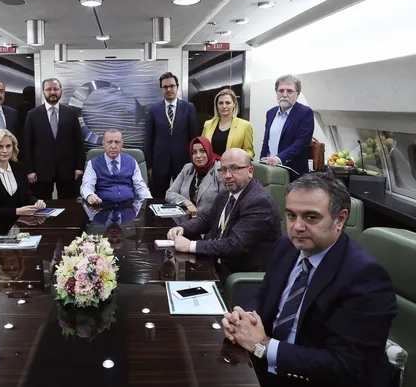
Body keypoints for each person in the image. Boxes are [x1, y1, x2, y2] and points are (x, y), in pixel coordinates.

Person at [221, 172, 398, 387]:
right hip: (270, 364)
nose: (297, 226)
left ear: (340, 219)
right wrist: (244, 319)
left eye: (311, 217)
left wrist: (263, 345)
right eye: (291, 215)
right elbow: (263, 296)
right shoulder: (286, 247)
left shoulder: (365, 277)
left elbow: (347, 365)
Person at [167, 148, 281, 280]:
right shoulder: (226, 193)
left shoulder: (258, 201)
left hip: (240, 276)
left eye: (234, 168)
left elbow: (235, 245)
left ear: (250, 171)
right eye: (223, 170)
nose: (227, 175)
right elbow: (206, 219)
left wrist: (191, 246)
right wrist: (182, 228)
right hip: (219, 266)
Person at [0, 129, 46, 236]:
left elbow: (26, 196)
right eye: (0, 146)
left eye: (8, 146)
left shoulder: (20, 168)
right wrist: (17, 211)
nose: (5, 150)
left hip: (20, 226)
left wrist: (37, 202)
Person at [23, 78, 84, 199]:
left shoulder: (71, 114)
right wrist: (30, 170)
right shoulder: (33, 115)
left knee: (68, 205)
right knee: (42, 205)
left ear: (61, 91)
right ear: (43, 92)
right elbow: (27, 144)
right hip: (41, 171)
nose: (52, 92)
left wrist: (79, 167)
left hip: (68, 170)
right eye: (49, 89)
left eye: (55, 89)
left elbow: (78, 142)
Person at [144, 72, 199, 198]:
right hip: (159, 163)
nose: (169, 89)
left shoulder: (189, 108)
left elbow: (194, 137)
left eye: (172, 86)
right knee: (158, 197)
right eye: (165, 87)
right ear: (161, 89)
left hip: (183, 162)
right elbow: (149, 139)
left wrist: (194, 162)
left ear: (177, 87)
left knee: (184, 196)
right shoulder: (154, 109)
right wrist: (149, 166)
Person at [260, 74, 314, 180]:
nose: (284, 95)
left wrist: (279, 159)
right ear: (276, 93)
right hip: (269, 170)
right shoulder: (270, 113)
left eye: (289, 91)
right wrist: (261, 162)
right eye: (281, 91)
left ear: (297, 94)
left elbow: (301, 143)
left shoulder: (305, 112)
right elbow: (267, 142)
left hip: (292, 173)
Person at [81, 129, 151, 205]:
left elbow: (140, 187)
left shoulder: (131, 161)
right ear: (103, 144)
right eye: (109, 142)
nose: (113, 146)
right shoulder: (93, 163)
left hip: (129, 207)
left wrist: (148, 202)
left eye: (117, 142)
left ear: (122, 144)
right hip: (102, 207)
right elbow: (87, 185)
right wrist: (89, 195)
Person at [166, 136, 222, 215]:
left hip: (209, 220)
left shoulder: (219, 170)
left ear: (209, 151)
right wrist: (186, 202)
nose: (198, 156)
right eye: (194, 152)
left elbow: (224, 202)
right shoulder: (188, 168)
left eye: (202, 151)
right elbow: (169, 193)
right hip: (185, 219)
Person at [201, 88, 254, 158]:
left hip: (233, 164)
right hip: (211, 164)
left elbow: (249, 152)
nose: (224, 106)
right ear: (216, 105)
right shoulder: (208, 124)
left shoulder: (245, 125)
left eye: (227, 103)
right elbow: (202, 148)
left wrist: (239, 159)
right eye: (220, 103)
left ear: (234, 104)